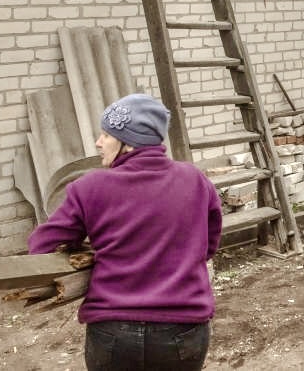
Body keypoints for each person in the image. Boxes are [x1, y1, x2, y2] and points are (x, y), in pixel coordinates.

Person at [28, 94, 222, 371]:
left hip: (114, 332)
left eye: (106, 135)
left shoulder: (90, 186)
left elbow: (42, 247)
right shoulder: (195, 180)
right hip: (183, 328)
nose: (98, 142)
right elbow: (208, 246)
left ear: (129, 142)